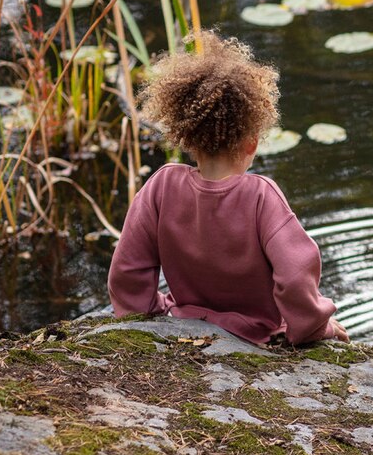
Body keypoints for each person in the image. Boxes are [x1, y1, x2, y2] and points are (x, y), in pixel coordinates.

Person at [108, 31, 348, 346]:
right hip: (255, 334)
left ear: (187, 137)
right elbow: (294, 275)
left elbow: (127, 269)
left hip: (185, 323)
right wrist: (313, 326)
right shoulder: (261, 196)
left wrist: (148, 314)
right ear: (251, 143)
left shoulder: (161, 186)